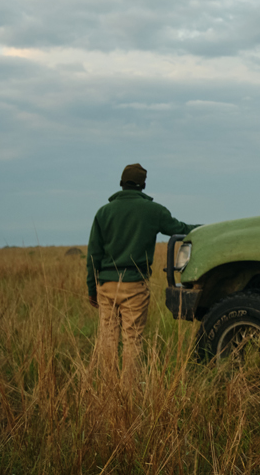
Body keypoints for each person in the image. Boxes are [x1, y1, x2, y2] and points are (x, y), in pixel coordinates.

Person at [86, 163, 199, 384]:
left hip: (106, 285)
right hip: (134, 284)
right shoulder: (153, 211)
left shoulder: (103, 212)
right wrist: (206, 229)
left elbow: (93, 255)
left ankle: (108, 387)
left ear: (121, 183)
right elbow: (181, 228)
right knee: (132, 340)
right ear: (144, 185)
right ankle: (128, 391)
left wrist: (92, 289)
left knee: (108, 338)